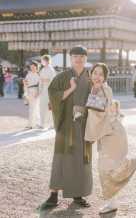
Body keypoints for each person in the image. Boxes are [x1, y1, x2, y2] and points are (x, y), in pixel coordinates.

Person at [85, 63, 136, 215]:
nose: (97, 76)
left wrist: (92, 92)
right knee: (108, 169)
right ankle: (111, 202)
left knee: (106, 169)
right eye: (95, 73)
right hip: (111, 132)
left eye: (101, 74)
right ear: (91, 74)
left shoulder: (100, 89)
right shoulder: (105, 88)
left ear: (105, 77)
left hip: (111, 134)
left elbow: (97, 111)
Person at [40, 46, 92, 209]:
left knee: (81, 160)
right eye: (75, 56)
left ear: (86, 59)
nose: (79, 59)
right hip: (66, 126)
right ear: (70, 58)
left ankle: (78, 194)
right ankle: (54, 194)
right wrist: (71, 89)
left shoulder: (90, 77)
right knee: (61, 158)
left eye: (82, 56)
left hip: (84, 126)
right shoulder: (62, 77)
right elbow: (53, 96)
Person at [39, 55, 56, 129]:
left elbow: (52, 80)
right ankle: (43, 123)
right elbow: (40, 79)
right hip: (43, 89)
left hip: (49, 89)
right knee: (42, 106)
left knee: (49, 107)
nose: (42, 62)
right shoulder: (43, 69)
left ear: (46, 61)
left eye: (43, 60)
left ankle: (51, 124)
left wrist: (45, 80)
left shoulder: (51, 69)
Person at [23, 62, 40, 129]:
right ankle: (31, 124)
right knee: (31, 108)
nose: (32, 68)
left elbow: (40, 85)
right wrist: (25, 92)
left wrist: (38, 92)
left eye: (33, 67)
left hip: (35, 91)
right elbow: (26, 83)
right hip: (29, 91)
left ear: (36, 67)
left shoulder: (38, 74)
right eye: (31, 67)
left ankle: (35, 124)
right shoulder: (28, 74)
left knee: (35, 108)